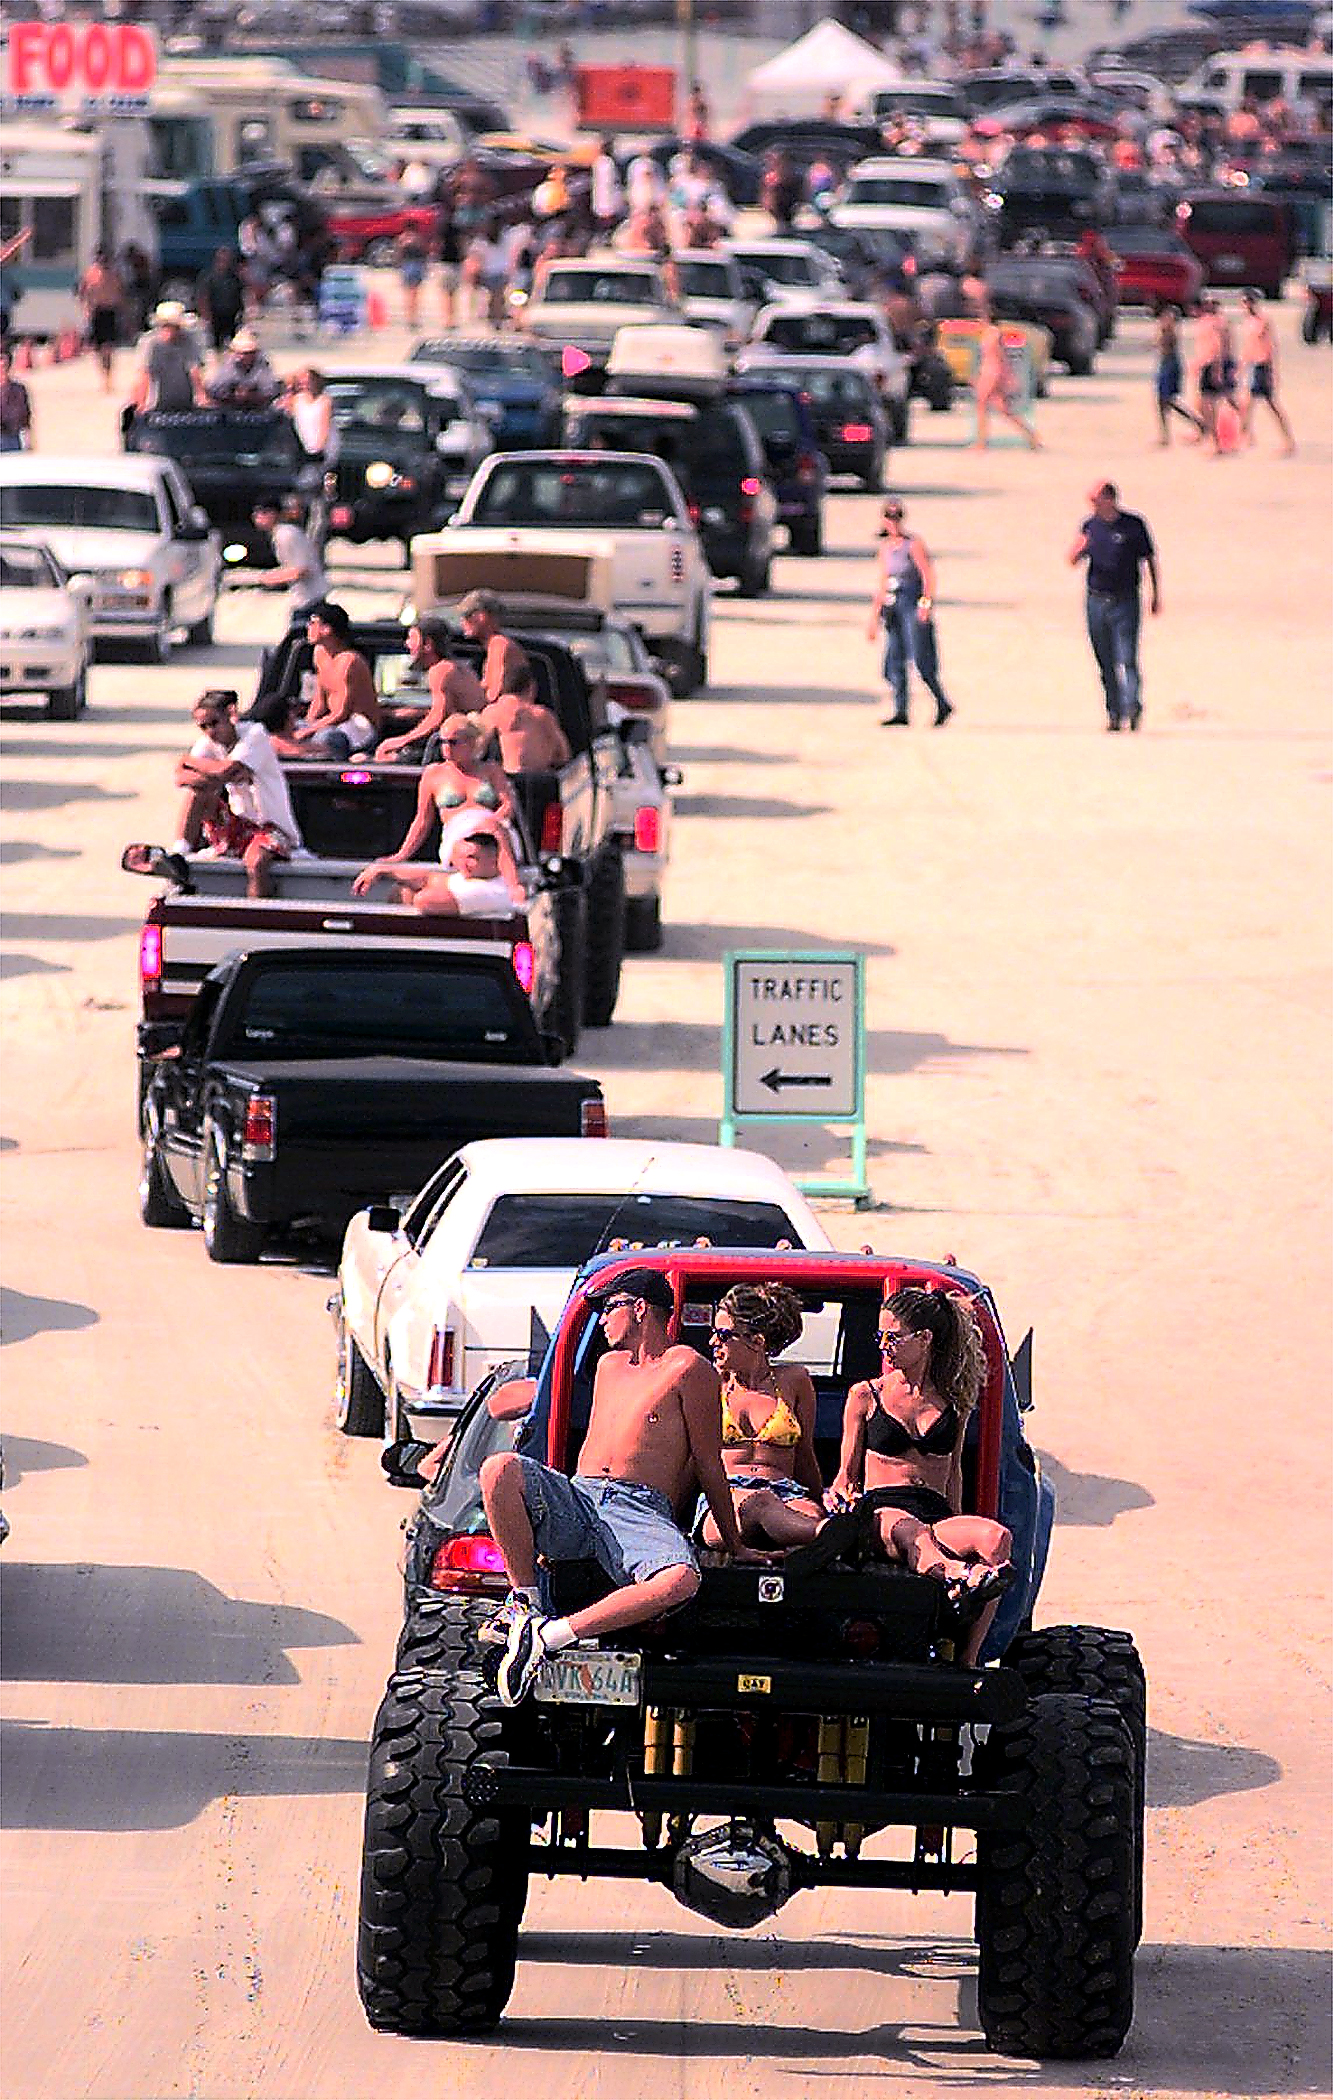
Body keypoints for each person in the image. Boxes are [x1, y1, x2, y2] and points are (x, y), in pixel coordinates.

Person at [479, 1267, 766, 1707]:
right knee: (499, 1469)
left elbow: (709, 1463)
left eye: (608, 1309)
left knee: (680, 1580)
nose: (603, 1321)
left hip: (638, 1508)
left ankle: (551, 1635)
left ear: (639, 1309)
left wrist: (736, 1544)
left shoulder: (689, 1367)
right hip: (579, 1496)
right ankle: (526, 1606)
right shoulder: (608, 1365)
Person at [821, 1285, 1012, 1666]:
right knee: (911, 1532)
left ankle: (968, 1659)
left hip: (934, 1513)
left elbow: (953, 1472)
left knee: (997, 1539)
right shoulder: (865, 1394)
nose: (883, 1346)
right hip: (881, 1514)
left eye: (893, 1337)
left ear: (924, 1339)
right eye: (880, 1337)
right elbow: (845, 1474)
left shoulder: (954, 1401)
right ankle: (959, 1576)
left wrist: (959, 1519)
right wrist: (838, 1495)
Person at [702, 1283, 826, 1550]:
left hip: (786, 1492)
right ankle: (822, 1534)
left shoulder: (794, 1381)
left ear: (757, 1341)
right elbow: (692, 1460)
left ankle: (823, 1532)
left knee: (810, 1513)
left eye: (724, 1335)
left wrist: (820, 1501)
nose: (713, 1342)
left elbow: (805, 1455)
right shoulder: (710, 1383)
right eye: (714, 1332)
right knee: (760, 1503)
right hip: (727, 1498)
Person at [352, 713, 518, 897]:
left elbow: (508, 806)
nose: (447, 748)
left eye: (454, 742)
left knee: (495, 833)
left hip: (492, 835)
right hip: (458, 835)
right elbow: (422, 821)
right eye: (443, 742)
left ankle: (513, 888)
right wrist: (400, 856)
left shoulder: (491, 770)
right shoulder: (433, 774)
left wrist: (488, 823)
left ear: (472, 742)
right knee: (471, 850)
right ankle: (507, 891)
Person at [173, 690, 303, 898]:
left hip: (270, 827)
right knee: (196, 792)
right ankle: (180, 852)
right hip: (238, 825)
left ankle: (258, 916)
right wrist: (206, 774)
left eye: (214, 723)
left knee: (256, 862)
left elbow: (224, 770)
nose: (210, 732)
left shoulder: (255, 734)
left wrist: (188, 761)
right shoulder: (208, 742)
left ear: (231, 714)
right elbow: (180, 778)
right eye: (203, 726)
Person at [1068, 480, 1160, 732]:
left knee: (1127, 657)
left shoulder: (1133, 525)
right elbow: (1072, 560)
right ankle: (1114, 712)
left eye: (1097, 500)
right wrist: (1080, 547)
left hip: (1126, 600)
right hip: (1096, 600)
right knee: (1104, 660)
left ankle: (1132, 706)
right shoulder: (1090, 526)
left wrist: (1155, 595)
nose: (1093, 506)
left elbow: (1150, 559)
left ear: (1110, 499)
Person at [867, 498, 954, 728]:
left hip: (911, 603)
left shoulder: (913, 544)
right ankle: (901, 710)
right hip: (892, 606)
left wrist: (925, 604)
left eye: (897, 517)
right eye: (889, 517)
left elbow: (928, 576)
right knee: (892, 662)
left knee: (921, 660)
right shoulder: (886, 549)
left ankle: (942, 702)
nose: (893, 522)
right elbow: (882, 584)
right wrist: (874, 618)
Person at [373, 618, 486, 763]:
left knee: (386, 757)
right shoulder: (459, 668)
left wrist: (402, 740)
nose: (407, 644)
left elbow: (437, 718)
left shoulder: (440, 670)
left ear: (427, 644)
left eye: (411, 638)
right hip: (471, 742)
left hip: (466, 744)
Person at [291, 602, 383, 756]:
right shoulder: (319, 653)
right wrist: (306, 724)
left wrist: (310, 730)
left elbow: (342, 713)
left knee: (328, 738)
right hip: (333, 722)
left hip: (359, 726)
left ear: (327, 629)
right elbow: (319, 701)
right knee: (288, 731)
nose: (308, 627)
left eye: (313, 623)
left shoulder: (350, 662)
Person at [369, 828, 523, 916]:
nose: (463, 863)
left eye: (472, 857)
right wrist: (385, 869)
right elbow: (428, 878)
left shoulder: (490, 891)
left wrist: (408, 892)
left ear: (493, 860)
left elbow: (425, 900)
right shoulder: (470, 877)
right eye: (461, 857)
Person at [251, 495, 329, 625]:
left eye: (263, 512)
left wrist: (265, 579)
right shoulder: (282, 533)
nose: (257, 517)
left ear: (274, 514)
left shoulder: (285, 535)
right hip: (304, 600)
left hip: (310, 601)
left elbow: (302, 570)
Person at [479, 663, 571, 771]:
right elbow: (564, 755)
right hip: (538, 778)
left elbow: (477, 751)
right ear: (532, 687)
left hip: (506, 777)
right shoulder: (541, 715)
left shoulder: (490, 713)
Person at [972, 308, 1040, 450]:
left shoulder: (993, 333)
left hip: (992, 371)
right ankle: (1030, 435)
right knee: (1002, 409)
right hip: (988, 370)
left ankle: (981, 442)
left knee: (982, 406)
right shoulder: (987, 333)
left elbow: (1000, 356)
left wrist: (1007, 376)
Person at [1239, 289, 1296, 455]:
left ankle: (1287, 440)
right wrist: (1241, 366)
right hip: (1252, 365)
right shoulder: (1247, 322)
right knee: (1247, 404)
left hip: (1263, 365)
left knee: (1270, 404)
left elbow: (1271, 347)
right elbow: (1248, 347)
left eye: (1250, 301)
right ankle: (1246, 436)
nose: (1247, 304)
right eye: (1245, 301)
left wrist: (1273, 371)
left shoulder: (1263, 321)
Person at [458, 588, 531, 701]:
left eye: (466, 615)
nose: (462, 622)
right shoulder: (495, 646)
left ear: (482, 616)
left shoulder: (499, 645)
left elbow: (494, 693)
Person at [130, 304, 204, 416]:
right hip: (156, 404)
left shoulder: (189, 341)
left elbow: (194, 370)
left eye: (174, 326)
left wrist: (201, 396)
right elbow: (144, 373)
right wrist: (141, 403)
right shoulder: (150, 343)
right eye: (166, 325)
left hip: (185, 401)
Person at [1153, 304, 1203, 445]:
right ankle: (1165, 435)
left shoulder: (1169, 330)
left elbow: (1163, 343)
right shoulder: (1166, 329)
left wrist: (1159, 333)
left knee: (1169, 400)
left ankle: (1197, 423)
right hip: (1166, 363)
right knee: (1163, 401)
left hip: (1170, 364)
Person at [77, 246, 123, 393]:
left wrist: (122, 312)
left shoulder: (114, 274)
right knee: (98, 349)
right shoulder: (91, 273)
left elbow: (120, 294)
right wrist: (86, 309)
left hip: (110, 311)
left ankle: (108, 378)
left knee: (108, 348)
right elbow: (82, 292)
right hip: (97, 312)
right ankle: (104, 377)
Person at [206, 327, 281, 409]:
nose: (241, 357)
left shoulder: (262, 365)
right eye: (238, 353)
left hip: (257, 407)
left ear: (254, 353)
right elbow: (214, 389)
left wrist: (250, 395)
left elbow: (270, 390)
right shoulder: (228, 364)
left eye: (246, 354)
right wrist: (233, 393)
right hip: (228, 407)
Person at [198, 248, 246, 354]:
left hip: (232, 316)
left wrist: (242, 312)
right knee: (216, 344)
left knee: (234, 343)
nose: (225, 263)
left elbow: (240, 294)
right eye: (223, 260)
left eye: (228, 260)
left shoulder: (234, 277)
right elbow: (203, 297)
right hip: (216, 316)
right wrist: (206, 315)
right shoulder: (210, 277)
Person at [395, 223, 429, 331]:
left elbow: (399, 254)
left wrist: (398, 266)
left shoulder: (402, 238)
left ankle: (410, 318)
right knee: (414, 295)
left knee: (409, 295)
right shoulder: (419, 239)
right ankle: (413, 318)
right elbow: (424, 254)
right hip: (417, 266)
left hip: (407, 266)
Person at [0, 349, 33, 451]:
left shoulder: (18, 390)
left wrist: (28, 442)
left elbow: (25, 418)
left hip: (11, 438)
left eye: (4, 366)